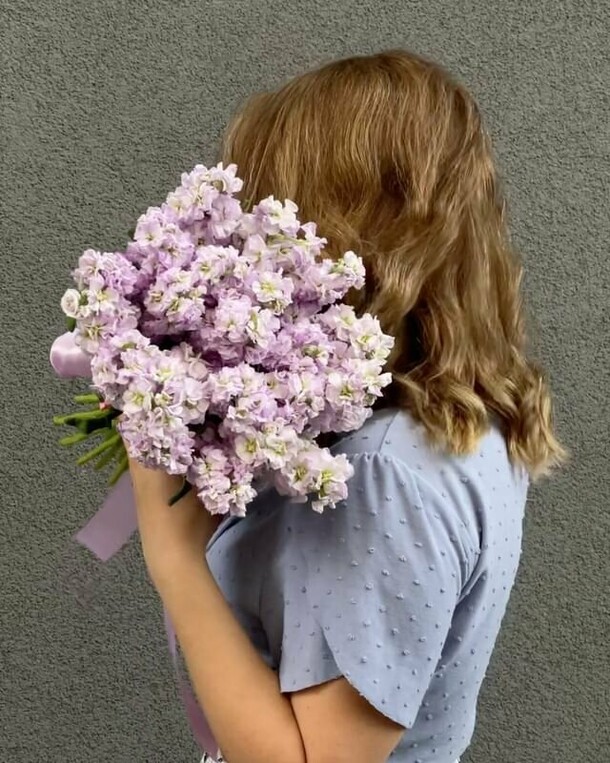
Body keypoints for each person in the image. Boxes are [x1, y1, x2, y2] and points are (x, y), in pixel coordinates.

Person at [129, 50, 566, 763]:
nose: (240, 238)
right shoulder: (455, 424)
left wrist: (173, 550)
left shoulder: (382, 475)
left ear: (333, 230)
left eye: (265, 206)